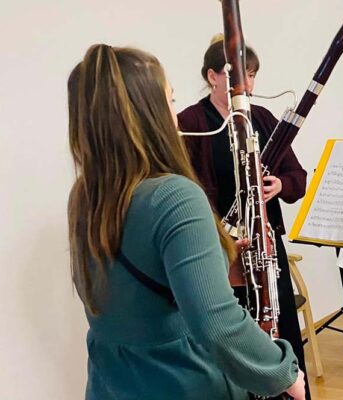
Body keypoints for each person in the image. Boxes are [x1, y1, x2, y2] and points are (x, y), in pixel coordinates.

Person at [67, 43, 305, 400]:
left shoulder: (86, 194)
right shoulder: (175, 196)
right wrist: (283, 373)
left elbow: (137, 292)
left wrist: (216, 264)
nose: (175, 114)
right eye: (170, 100)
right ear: (149, 114)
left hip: (112, 383)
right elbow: (218, 326)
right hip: (182, 381)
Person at [178, 36, 311, 398]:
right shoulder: (190, 122)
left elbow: (298, 178)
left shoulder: (263, 118)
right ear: (211, 76)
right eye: (237, 74)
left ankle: (290, 388)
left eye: (251, 74)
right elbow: (185, 190)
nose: (248, 84)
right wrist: (218, 235)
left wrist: (279, 185)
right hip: (219, 251)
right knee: (237, 336)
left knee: (279, 327)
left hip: (265, 248)